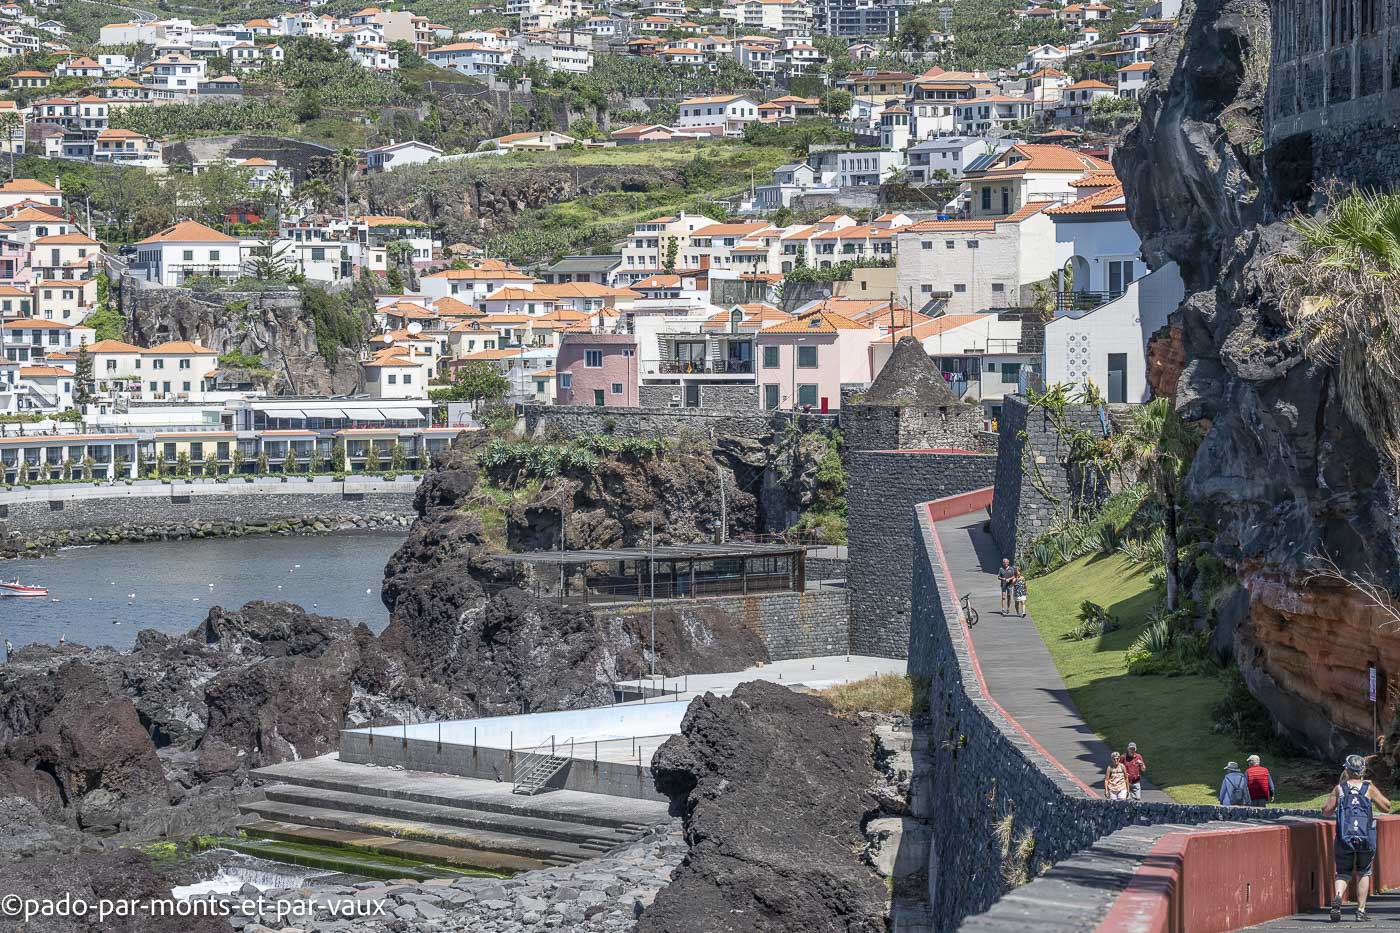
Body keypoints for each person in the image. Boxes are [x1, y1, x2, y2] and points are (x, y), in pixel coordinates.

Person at [1322, 754, 1390, 923]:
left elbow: (1326, 810)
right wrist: (1373, 790)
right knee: (1363, 872)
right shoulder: (1368, 788)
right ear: (1362, 771)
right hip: (1366, 838)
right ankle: (1360, 911)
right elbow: (1387, 807)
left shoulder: (1340, 789)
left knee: (1343, 873)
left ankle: (1338, 898)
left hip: (1344, 838)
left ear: (1346, 769)